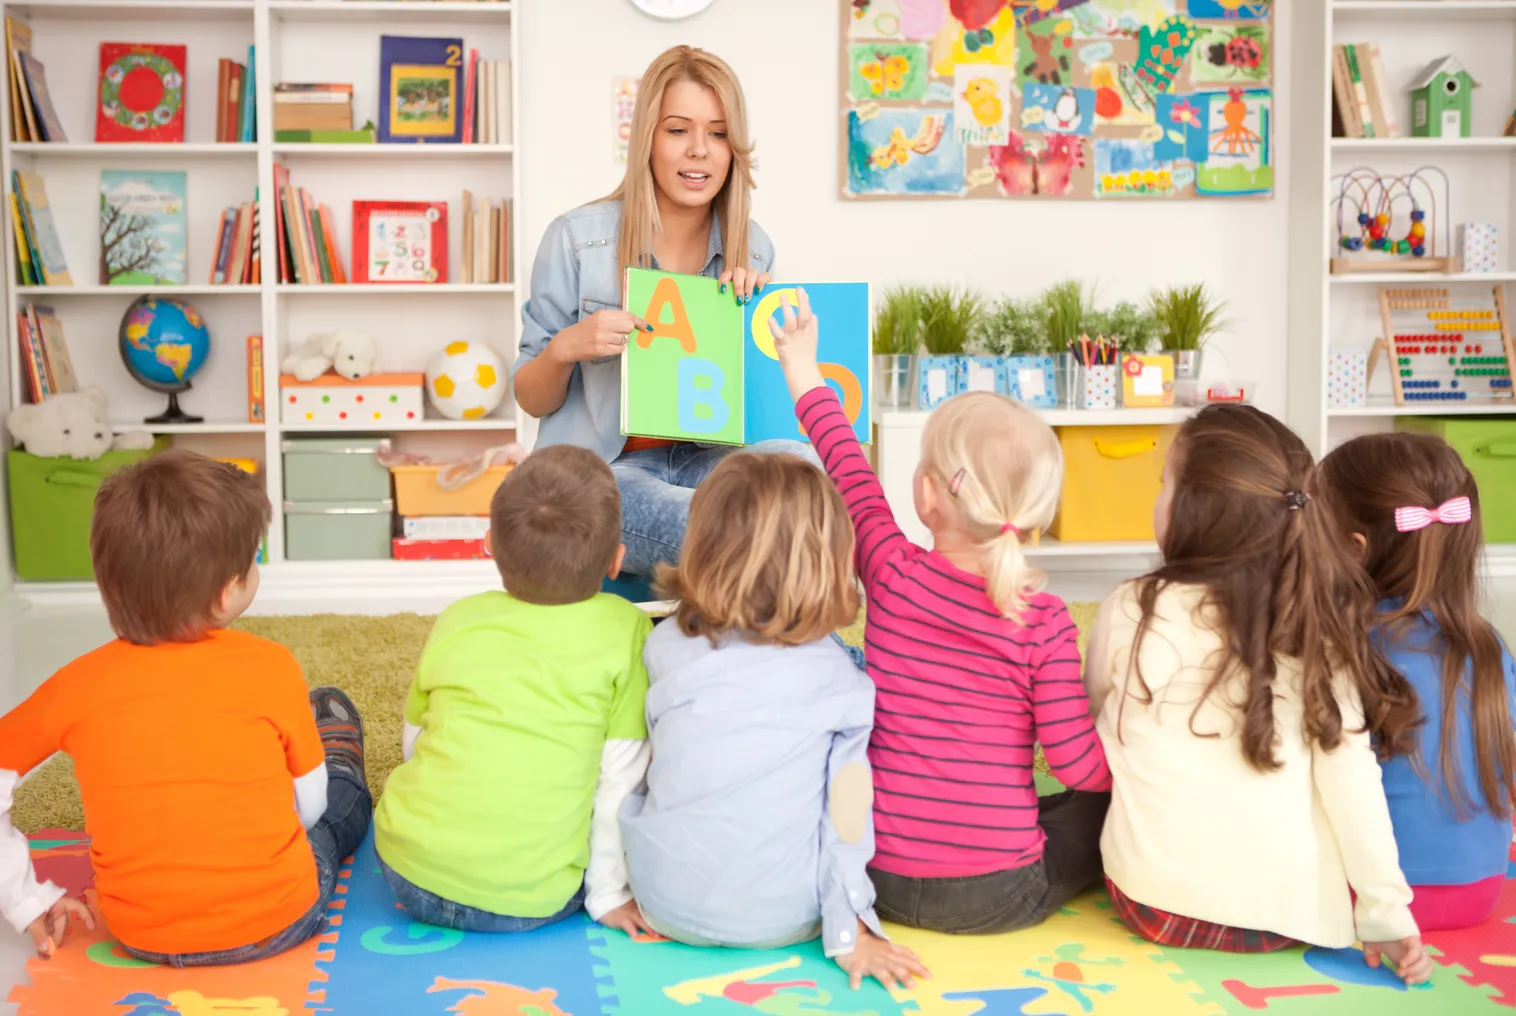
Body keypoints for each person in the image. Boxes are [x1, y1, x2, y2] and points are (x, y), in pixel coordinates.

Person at [771, 291, 1112, 935]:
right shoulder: (1045, 620)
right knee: (1086, 810)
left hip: (880, 880)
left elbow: (847, 466)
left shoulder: (892, 573)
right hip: (999, 894)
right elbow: (1073, 763)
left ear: (928, 495)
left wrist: (801, 366)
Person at [1082, 405, 1433, 983]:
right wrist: (1385, 911)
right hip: (1281, 922)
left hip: (1150, 905)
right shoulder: (1318, 622)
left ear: (1195, 511)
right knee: (1329, 774)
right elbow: (1352, 781)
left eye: (1164, 484)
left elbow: (1092, 718)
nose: (1157, 499)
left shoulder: (1131, 606)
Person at [0, 450, 371, 965]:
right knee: (339, 804)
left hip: (138, 934)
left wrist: (23, 899)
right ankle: (341, 756)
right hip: (278, 922)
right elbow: (307, 808)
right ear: (226, 593)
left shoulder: (77, 684)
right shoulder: (270, 666)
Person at [620, 452, 929, 991]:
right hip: (786, 916)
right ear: (830, 562)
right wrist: (851, 928)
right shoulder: (839, 678)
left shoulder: (664, 644)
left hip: (660, 900)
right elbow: (848, 816)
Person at [514, 44, 811, 580]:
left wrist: (759, 326)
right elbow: (531, 396)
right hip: (607, 471)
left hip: (705, 458)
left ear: (734, 148)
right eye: (678, 130)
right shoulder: (578, 241)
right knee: (719, 526)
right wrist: (565, 349)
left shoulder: (755, 249)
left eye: (718, 133)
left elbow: (754, 405)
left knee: (803, 470)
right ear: (647, 138)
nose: (699, 150)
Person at [374, 444, 657, 938]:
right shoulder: (627, 630)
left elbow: (415, 741)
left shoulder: (458, 617)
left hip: (406, 872)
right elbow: (621, 776)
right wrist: (609, 892)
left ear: (489, 545)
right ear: (617, 561)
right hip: (531, 898)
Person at [1322, 432, 1516, 931]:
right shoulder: (1490, 645)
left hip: (1372, 896)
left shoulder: (1342, 643)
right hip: (1484, 890)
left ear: (1353, 548)